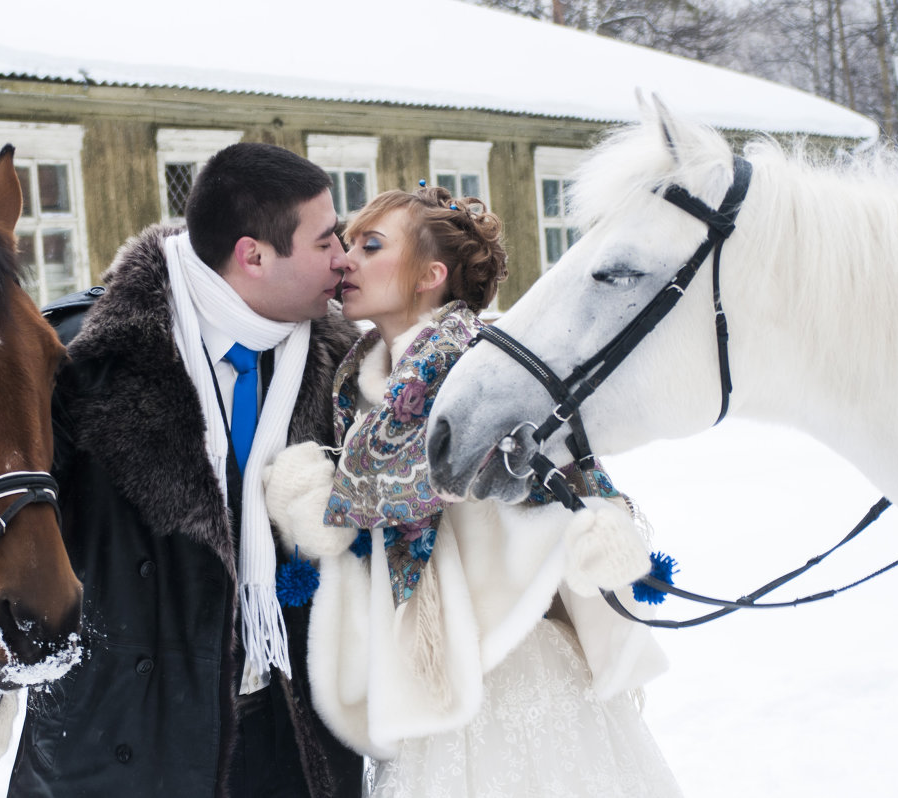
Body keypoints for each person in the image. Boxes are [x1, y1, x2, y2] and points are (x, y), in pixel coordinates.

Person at [264, 186, 683, 796]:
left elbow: (568, 469)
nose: (346, 258)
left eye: (371, 245)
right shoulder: (354, 375)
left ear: (431, 275)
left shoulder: (483, 365)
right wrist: (319, 502)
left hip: (509, 657)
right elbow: (367, 504)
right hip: (426, 664)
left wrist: (600, 527)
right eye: (347, 241)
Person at [7, 143, 365, 798]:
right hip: (125, 746)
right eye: (326, 241)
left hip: (288, 742)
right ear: (253, 255)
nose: (344, 258)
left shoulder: (348, 368)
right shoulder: (83, 361)